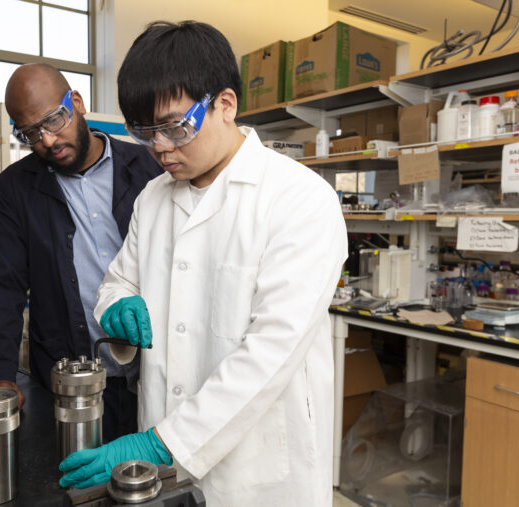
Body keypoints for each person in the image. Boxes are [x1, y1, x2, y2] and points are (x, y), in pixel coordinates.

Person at [58, 21, 348, 507]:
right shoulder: (153, 198)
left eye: (175, 127)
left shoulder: (299, 199)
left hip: (257, 471)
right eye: (144, 132)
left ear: (225, 105)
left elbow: (270, 352)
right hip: (163, 468)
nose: (161, 148)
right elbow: (118, 280)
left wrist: (162, 443)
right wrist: (118, 306)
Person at [0, 63, 162, 442]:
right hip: (71, 385)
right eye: (30, 133)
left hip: (155, 373)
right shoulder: (13, 192)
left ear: (76, 103)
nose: (48, 140)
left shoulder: (149, 169)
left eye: (54, 120)